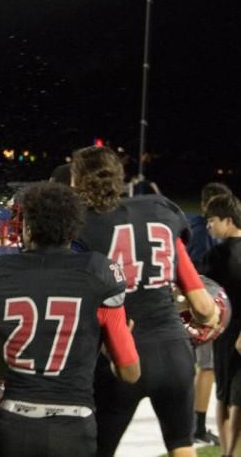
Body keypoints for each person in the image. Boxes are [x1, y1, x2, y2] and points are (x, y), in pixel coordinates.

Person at [70, 145, 219, 457]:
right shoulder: (159, 213)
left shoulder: (80, 227)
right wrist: (212, 319)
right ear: (120, 177)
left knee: (97, 450)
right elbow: (204, 309)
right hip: (175, 355)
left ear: (78, 181)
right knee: (181, 445)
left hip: (120, 356)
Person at [0, 182, 140, 456]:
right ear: (74, 228)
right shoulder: (98, 271)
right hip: (73, 425)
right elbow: (131, 372)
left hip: (15, 423)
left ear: (28, 226)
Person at [188, 182, 233, 445]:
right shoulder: (204, 232)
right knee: (207, 367)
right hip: (204, 303)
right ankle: (198, 426)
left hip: (191, 301)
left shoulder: (193, 225)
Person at [199, 194, 241, 456]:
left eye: (212, 220)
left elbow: (203, 294)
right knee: (227, 396)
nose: (209, 226)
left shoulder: (217, 254)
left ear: (228, 220)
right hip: (227, 333)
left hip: (228, 332)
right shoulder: (216, 253)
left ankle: (230, 452)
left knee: (229, 397)